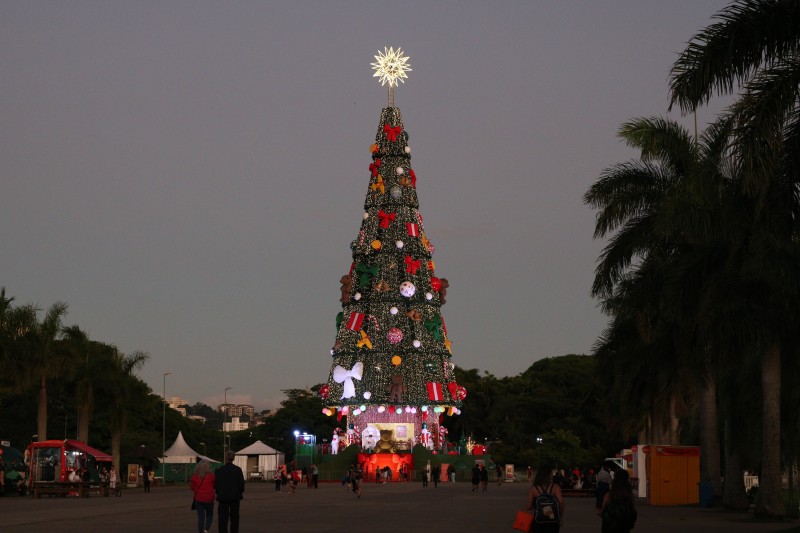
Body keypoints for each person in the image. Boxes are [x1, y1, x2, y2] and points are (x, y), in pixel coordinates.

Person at [524, 466, 564, 532]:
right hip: (553, 521)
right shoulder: (555, 487)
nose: (552, 475)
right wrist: (560, 516)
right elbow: (561, 502)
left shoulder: (534, 488)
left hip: (538, 521)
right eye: (551, 473)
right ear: (548, 475)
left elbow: (528, 506)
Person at [214, 451, 245, 533]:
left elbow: (216, 484)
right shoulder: (238, 470)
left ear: (226, 458)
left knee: (222, 518)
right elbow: (241, 484)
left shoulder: (219, 470)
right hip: (235, 497)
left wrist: (218, 492)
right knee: (235, 518)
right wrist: (239, 492)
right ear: (233, 458)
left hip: (223, 497)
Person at [191, 459, 215, 533]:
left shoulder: (195, 476)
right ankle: (206, 530)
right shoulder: (212, 475)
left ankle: (201, 531)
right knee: (209, 515)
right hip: (209, 498)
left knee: (201, 517)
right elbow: (214, 486)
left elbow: (192, 488)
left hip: (199, 498)